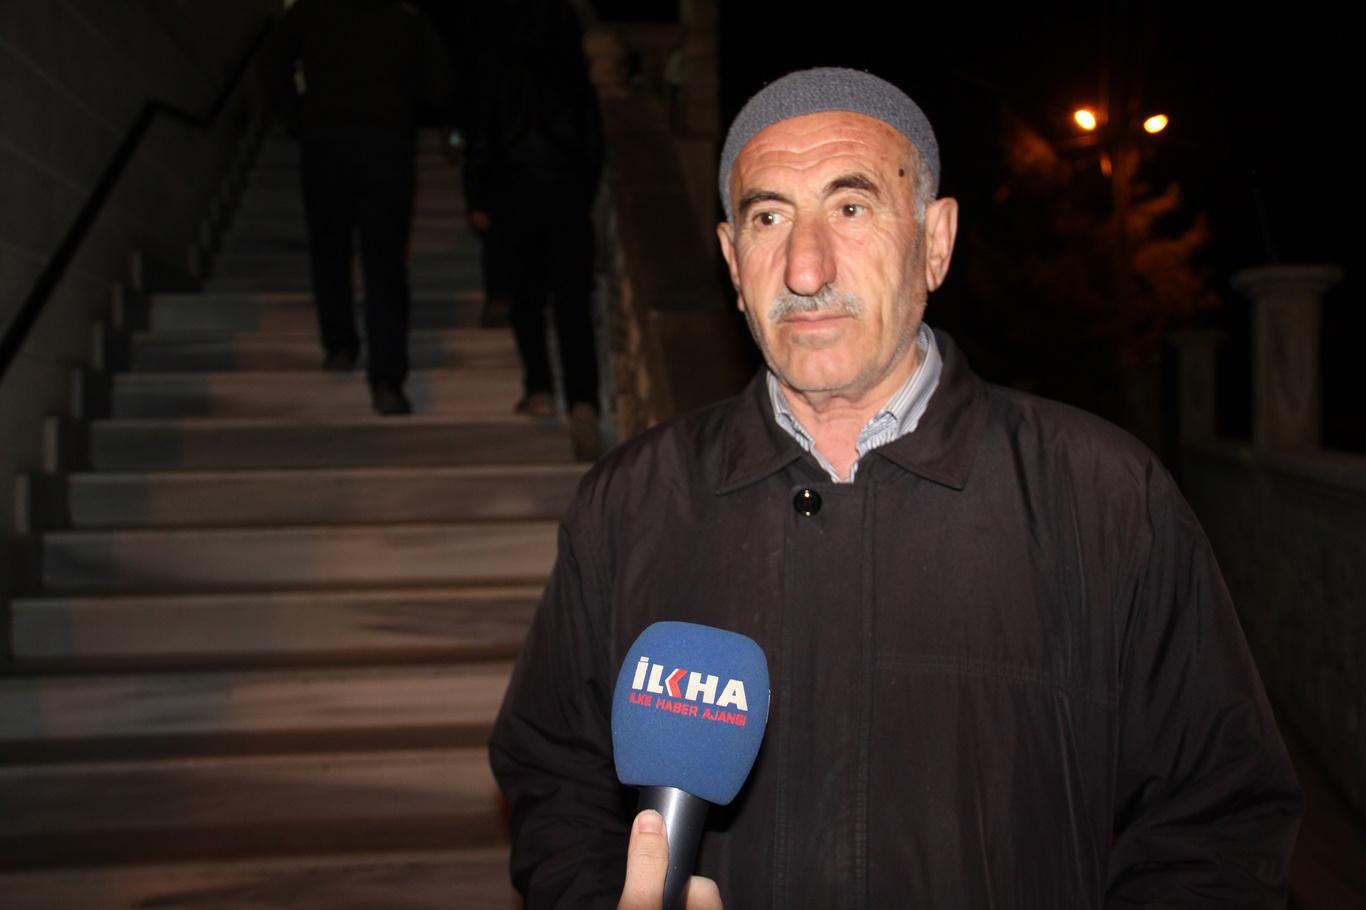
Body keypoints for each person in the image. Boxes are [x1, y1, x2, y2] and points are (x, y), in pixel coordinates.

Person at [489, 67, 1302, 908]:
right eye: (769, 218)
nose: (806, 269)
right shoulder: (630, 503)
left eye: (851, 207)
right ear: (732, 261)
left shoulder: (1105, 497)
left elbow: (1218, 818)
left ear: (936, 242)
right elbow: (553, 776)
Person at [269, 0, 452, 416]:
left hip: (326, 146)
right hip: (385, 149)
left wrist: (299, 116)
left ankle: (339, 345)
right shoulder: (404, 18)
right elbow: (439, 86)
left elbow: (272, 66)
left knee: (330, 250)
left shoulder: (310, 13)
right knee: (384, 265)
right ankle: (386, 378)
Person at [462, 0, 604, 458]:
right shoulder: (574, 78)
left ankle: (540, 387)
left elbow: (482, 141)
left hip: (514, 196)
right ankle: (583, 402)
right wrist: (581, 193)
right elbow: (593, 146)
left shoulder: (499, 75)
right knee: (572, 305)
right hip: (565, 196)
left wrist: (478, 198)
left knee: (527, 301)